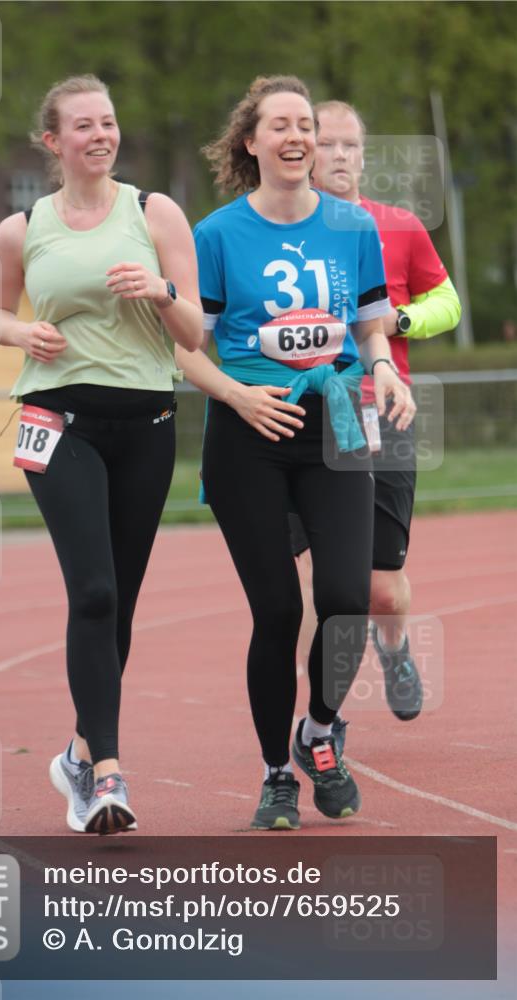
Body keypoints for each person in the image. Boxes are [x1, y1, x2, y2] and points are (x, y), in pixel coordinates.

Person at [176, 76, 415, 830]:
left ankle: (318, 731)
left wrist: (378, 366)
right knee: (276, 610)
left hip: (337, 422)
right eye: (278, 125)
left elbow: (372, 326)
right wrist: (237, 396)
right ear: (250, 142)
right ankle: (276, 774)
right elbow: (187, 350)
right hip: (249, 430)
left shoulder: (351, 226)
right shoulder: (214, 235)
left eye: (304, 125)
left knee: (345, 599)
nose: (295, 136)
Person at [0, 75, 203, 834]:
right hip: (56, 418)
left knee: (120, 603)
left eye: (108, 122)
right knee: (95, 593)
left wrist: (162, 288)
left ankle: (78, 749)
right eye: (83, 126)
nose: (100, 135)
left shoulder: (154, 211)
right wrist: (19, 333)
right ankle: (105, 774)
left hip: (145, 421)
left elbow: (196, 333)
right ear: (52, 142)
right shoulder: (22, 226)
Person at [290, 101, 462, 727]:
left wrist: (401, 319)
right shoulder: (279, 228)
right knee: (322, 586)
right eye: (326, 144)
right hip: (300, 419)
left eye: (350, 146)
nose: (338, 156)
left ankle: (394, 647)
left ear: (364, 155)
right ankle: (322, 716)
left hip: (381, 415)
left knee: (381, 589)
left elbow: (448, 302)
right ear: (303, 152)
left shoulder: (398, 225)